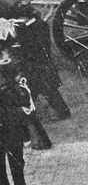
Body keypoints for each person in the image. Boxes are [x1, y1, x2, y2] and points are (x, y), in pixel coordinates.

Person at [0, 25, 32, 185]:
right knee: (17, 163)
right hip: (11, 121)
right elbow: (20, 96)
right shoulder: (11, 66)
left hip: (9, 121)